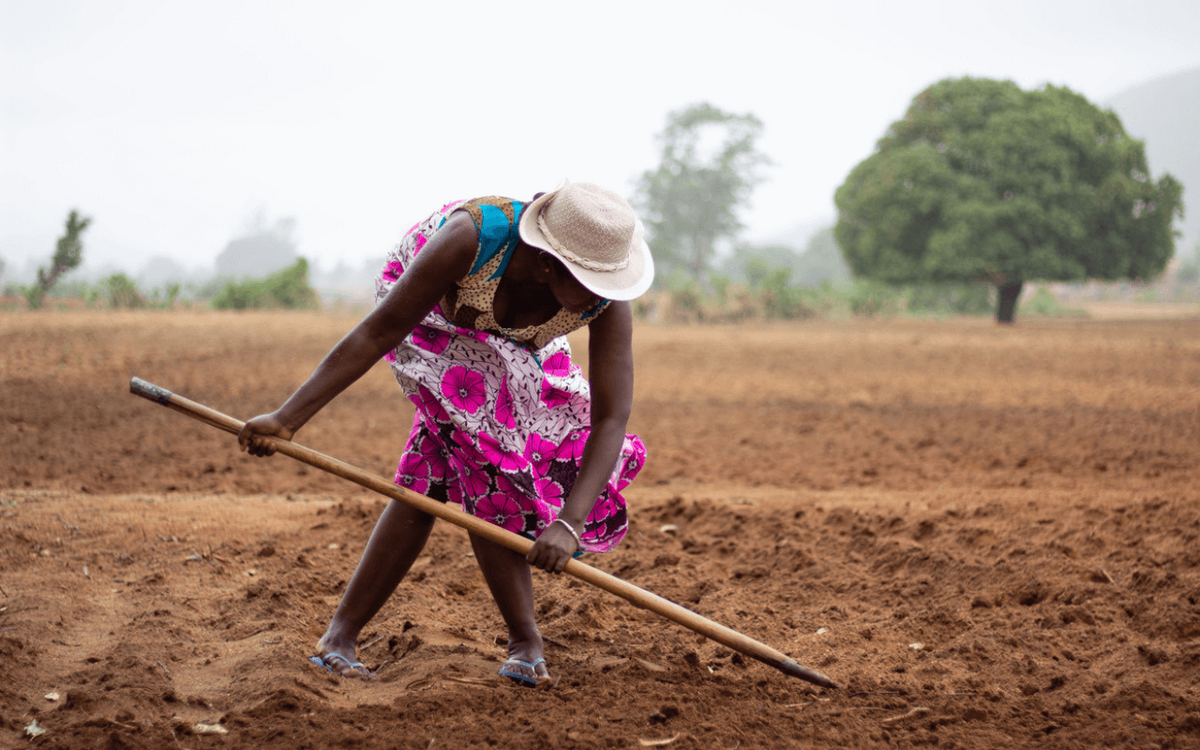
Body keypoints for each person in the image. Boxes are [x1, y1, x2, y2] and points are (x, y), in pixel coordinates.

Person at [237, 181, 654, 686]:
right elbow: (379, 330)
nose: (601, 296)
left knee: (433, 477)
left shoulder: (604, 297)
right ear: (547, 264)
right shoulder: (469, 239)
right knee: (489, 458)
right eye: (589, 280)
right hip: (430, 318)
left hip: (514, 347)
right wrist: (287, 418)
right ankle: (525, 642)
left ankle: (339, 638)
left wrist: (568, 523)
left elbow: (611, 417)